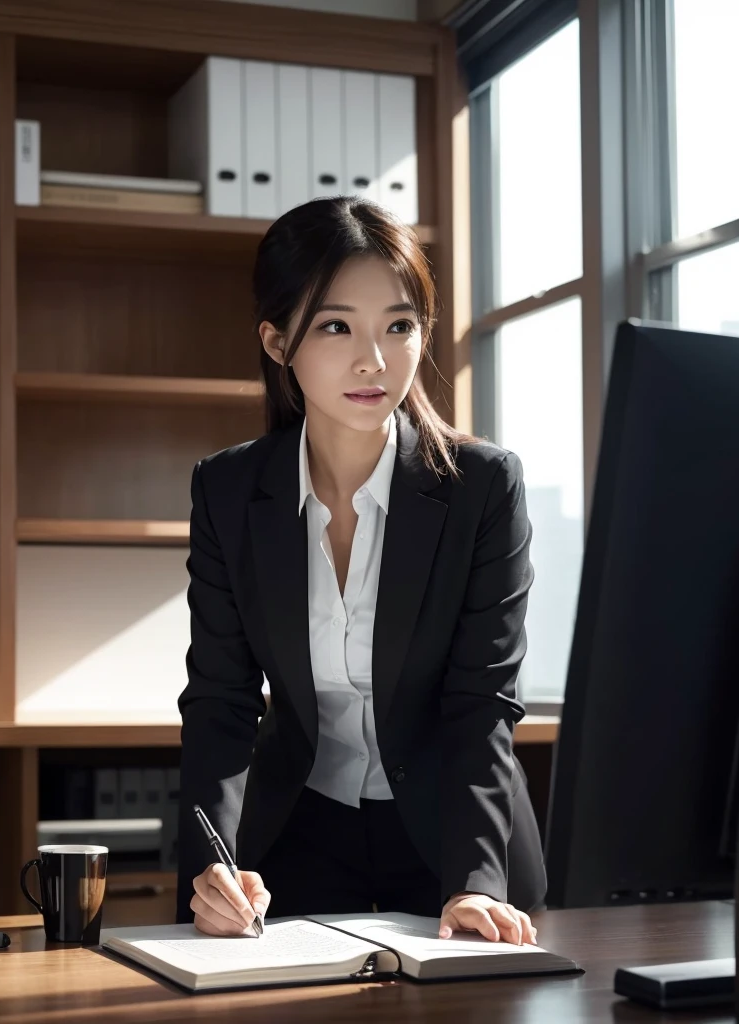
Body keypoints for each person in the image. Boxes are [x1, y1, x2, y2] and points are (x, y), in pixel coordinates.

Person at [176, 196, 547, 946]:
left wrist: (474, 883)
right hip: (296, 837)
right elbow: (220, 701)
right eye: (336, 325)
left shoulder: (482, 487)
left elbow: (482, 704)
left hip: (455, 843)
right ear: (279, 342)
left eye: (399, 326)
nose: (373, 361)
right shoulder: (228, 490)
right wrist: (214, 864)